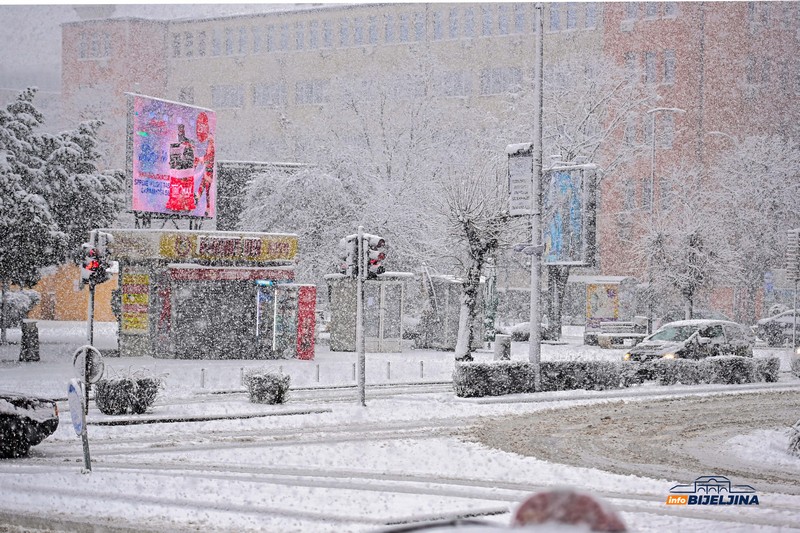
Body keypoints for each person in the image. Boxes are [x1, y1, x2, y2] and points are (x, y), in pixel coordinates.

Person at [193, 112, 215, 218]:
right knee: (203, 184)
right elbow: (206, 157)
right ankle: (198, 197)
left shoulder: (212, 149)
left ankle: (207, 207)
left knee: (206, 189)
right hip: (208, 170)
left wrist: (199, 160)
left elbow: (208, 158)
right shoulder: (209, 147)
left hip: (209, 171)